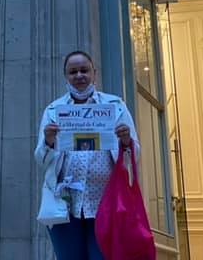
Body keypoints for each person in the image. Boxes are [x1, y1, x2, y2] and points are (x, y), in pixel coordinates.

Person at [35, 50, 140, 260]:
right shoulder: (54, 110)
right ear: (66, 76)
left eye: (84, 70)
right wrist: (48, 141)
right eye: (73, 71)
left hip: (105, 203)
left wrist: (126, 141)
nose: (79, 75)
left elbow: (133, 156)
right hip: (65, 205)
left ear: (94, 73)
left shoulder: (116, 106)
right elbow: (41, 161)